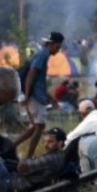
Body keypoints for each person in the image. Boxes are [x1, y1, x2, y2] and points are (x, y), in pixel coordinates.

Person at [16, 31, 64, 159]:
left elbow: (39, 82)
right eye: (57, 47)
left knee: (35, 127)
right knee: (40, 126)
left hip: (37, 95)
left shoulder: (43, 54)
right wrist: (27, 96)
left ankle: (11, 147)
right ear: (51, 44)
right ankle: (28, 157)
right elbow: (31, 74)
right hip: (35, 96)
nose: (58, 50)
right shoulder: (43, 54)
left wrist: (50, 97)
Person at [9, 127, 69, 192]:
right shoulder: (61, 155)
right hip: (27, 183)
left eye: (50, 141)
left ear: (60, 143)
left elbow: (22, 168)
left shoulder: (49, 159)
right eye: (45, 141)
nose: (46, 144)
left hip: (18, 185)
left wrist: (23, 160)